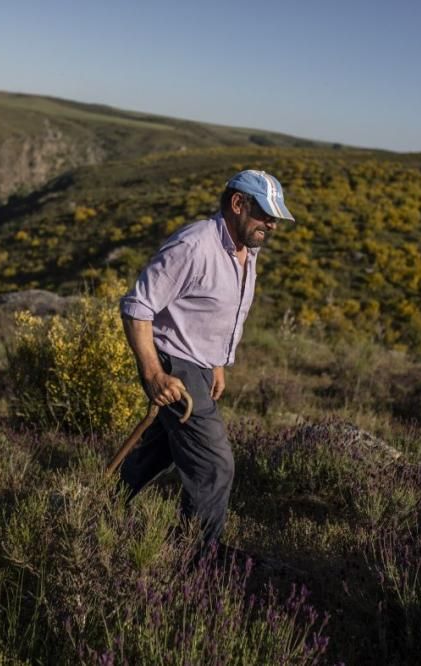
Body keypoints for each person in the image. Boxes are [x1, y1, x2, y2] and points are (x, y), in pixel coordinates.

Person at [118, 169, 295, 548]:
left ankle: (102, 508)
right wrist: (152, 372)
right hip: (174, 365)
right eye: (266, 214)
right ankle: (194, 561)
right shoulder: (194, 245)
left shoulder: (248, 250)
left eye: (276, 218)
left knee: (161, 449)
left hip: (199, 365)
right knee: (214, 467)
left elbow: (211, 310)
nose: (272, 225)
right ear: (237, 204)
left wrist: (216, 362)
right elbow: (137, 306)